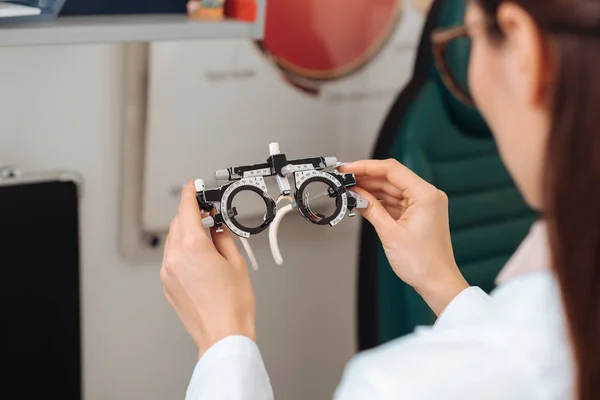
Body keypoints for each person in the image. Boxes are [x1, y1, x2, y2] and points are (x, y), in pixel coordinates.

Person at [160, 0, 600, 398]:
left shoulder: (398, 387)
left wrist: (224, 344)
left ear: (523, 48)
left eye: (468, 40)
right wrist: (445, 284)